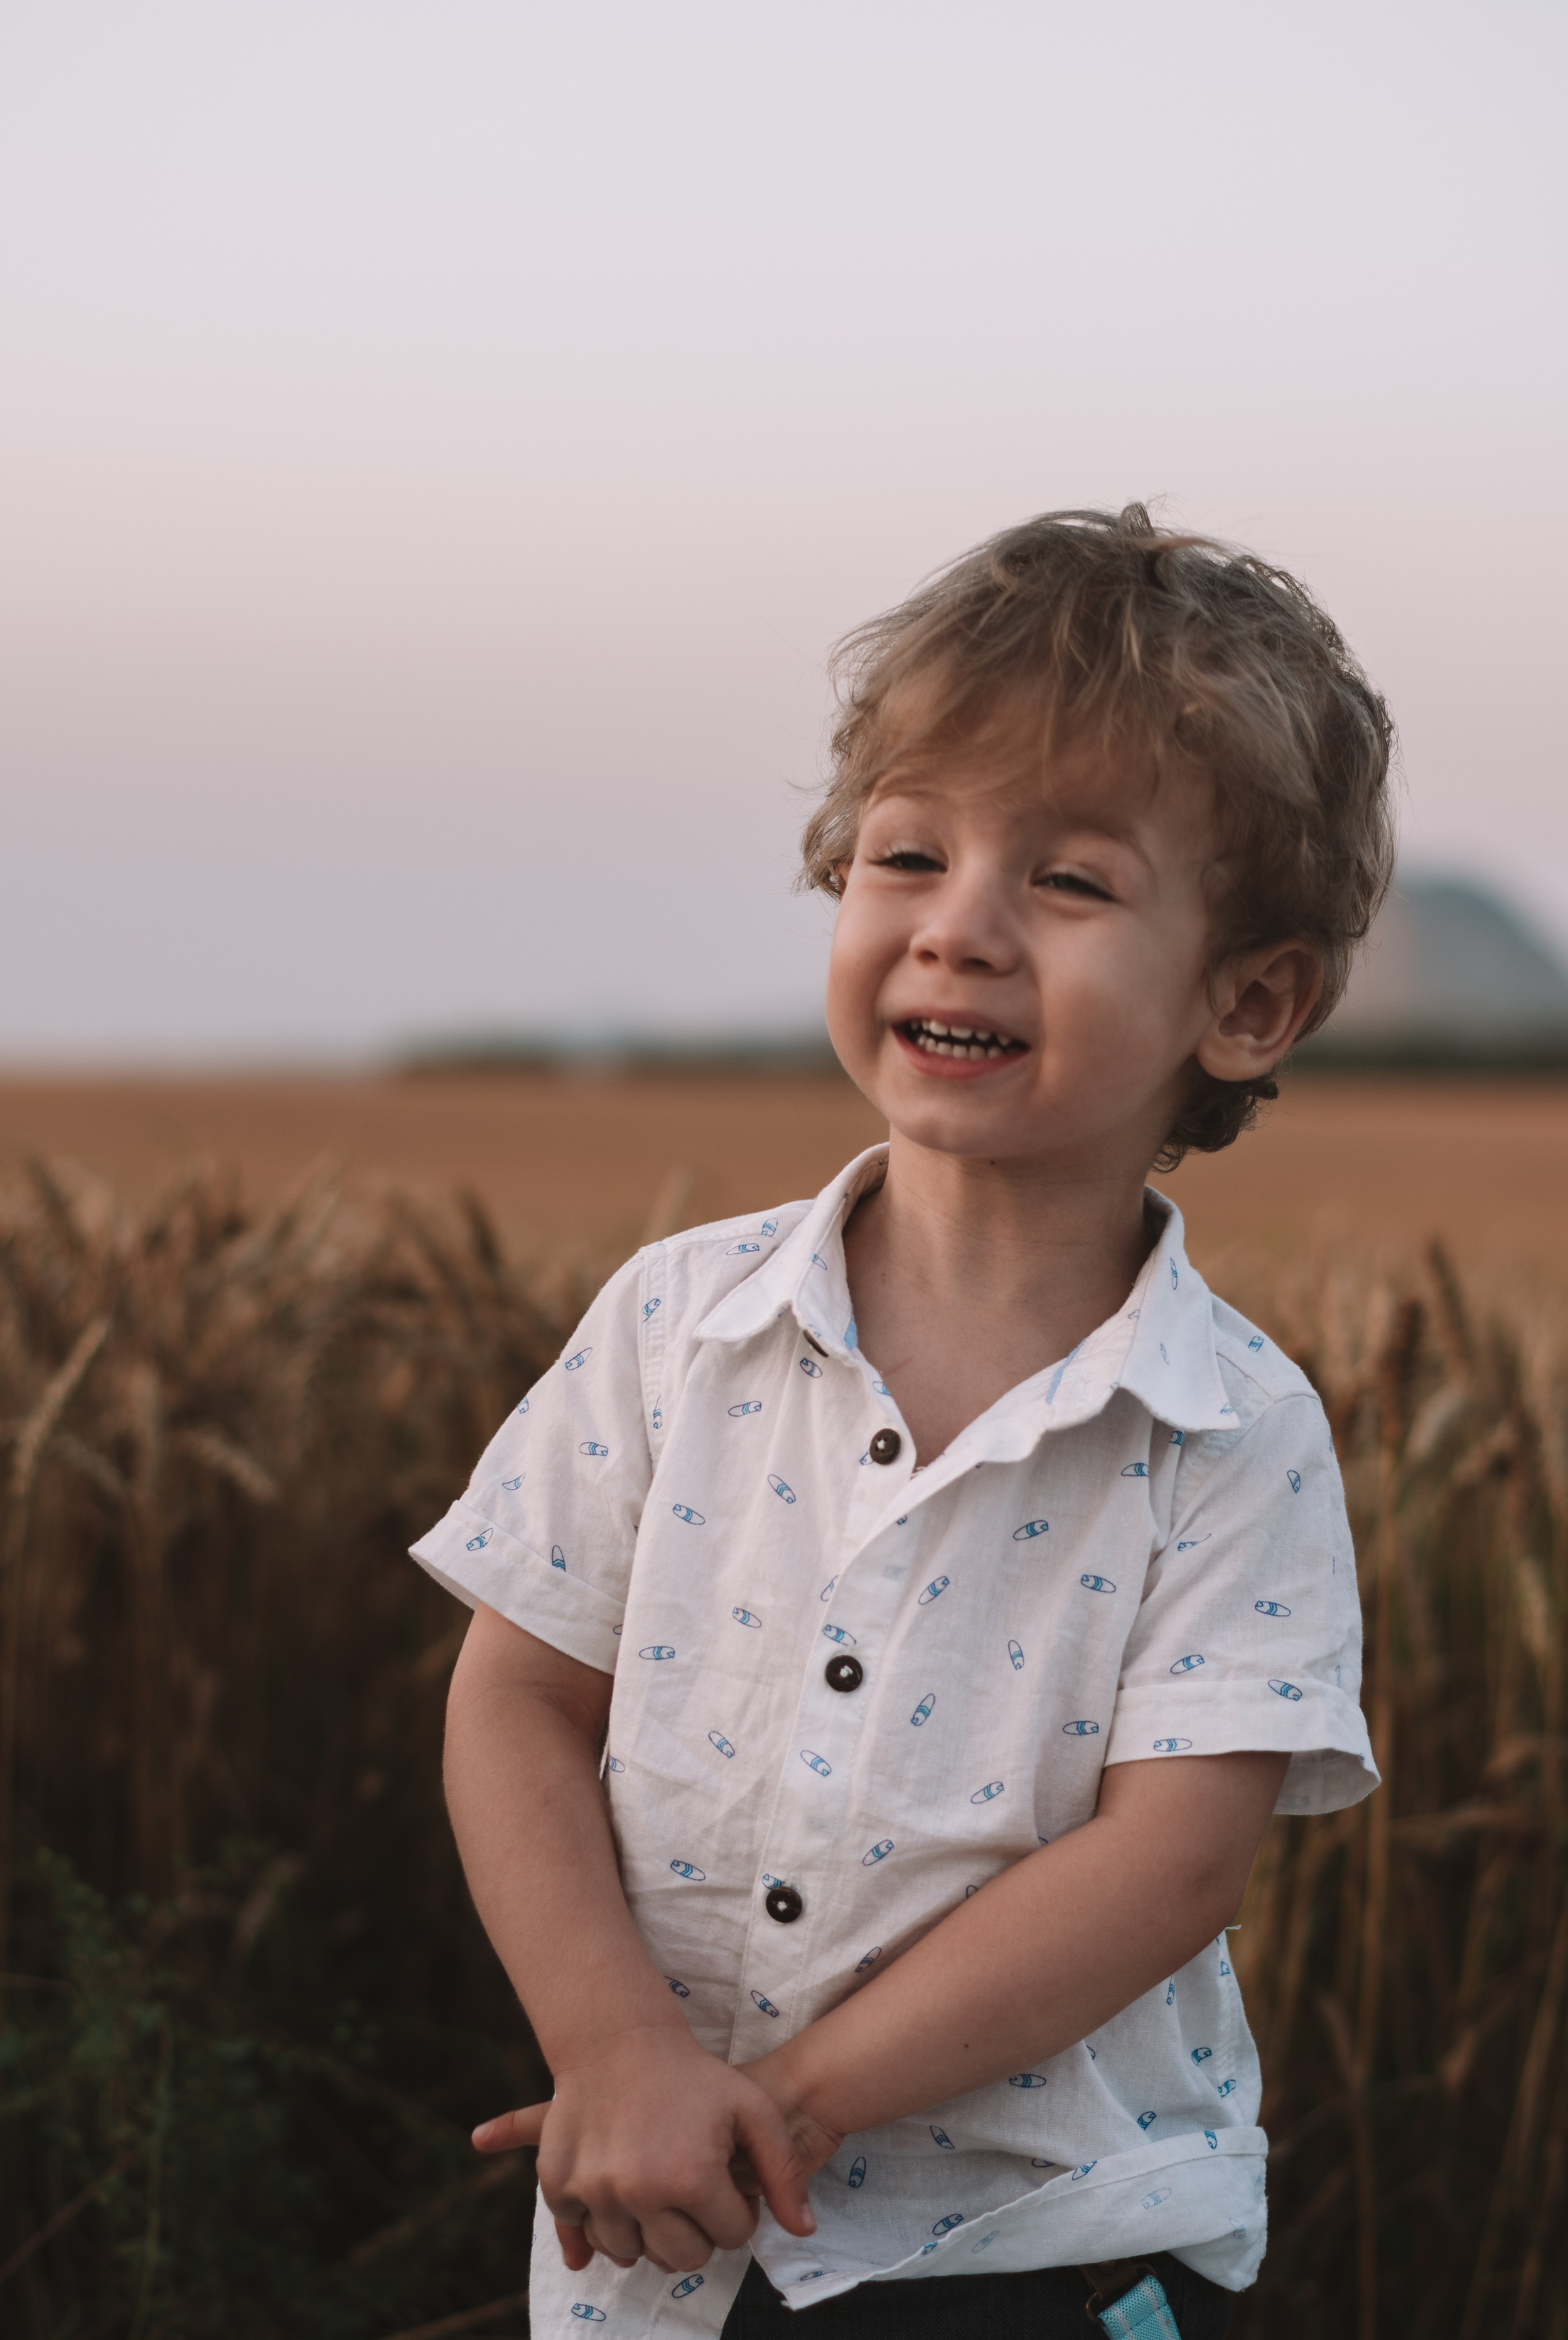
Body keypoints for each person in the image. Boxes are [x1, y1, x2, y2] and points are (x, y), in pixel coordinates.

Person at [409, 505, 1391, 2339]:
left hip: (1035, 2250)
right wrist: (620, 2053)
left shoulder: (1232, 1434)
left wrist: (767, 2112)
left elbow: (1173, 1855)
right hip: (654, 2251)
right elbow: (519, 1691)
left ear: (1248, 1001)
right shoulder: (673, 1327)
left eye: (1072, 884)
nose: (962, 929)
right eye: (907, 855)